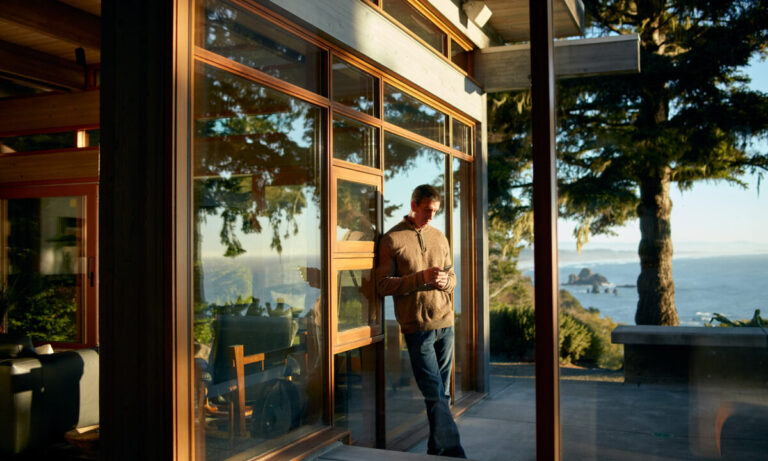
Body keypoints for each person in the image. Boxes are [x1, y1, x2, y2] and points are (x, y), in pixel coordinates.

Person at [376, 184, 466, 458]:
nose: (430, 217)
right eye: (426, 210)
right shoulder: (392, 240)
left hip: (446, 325)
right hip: (417, 330)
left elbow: (452, 280)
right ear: (413, 205)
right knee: (435, 394)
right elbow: (381, 285)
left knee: (442, 396)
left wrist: (444, 280)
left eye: (434, 212)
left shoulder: (440, 237)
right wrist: (420, 278)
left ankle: (435, 450)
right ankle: (453, 453)